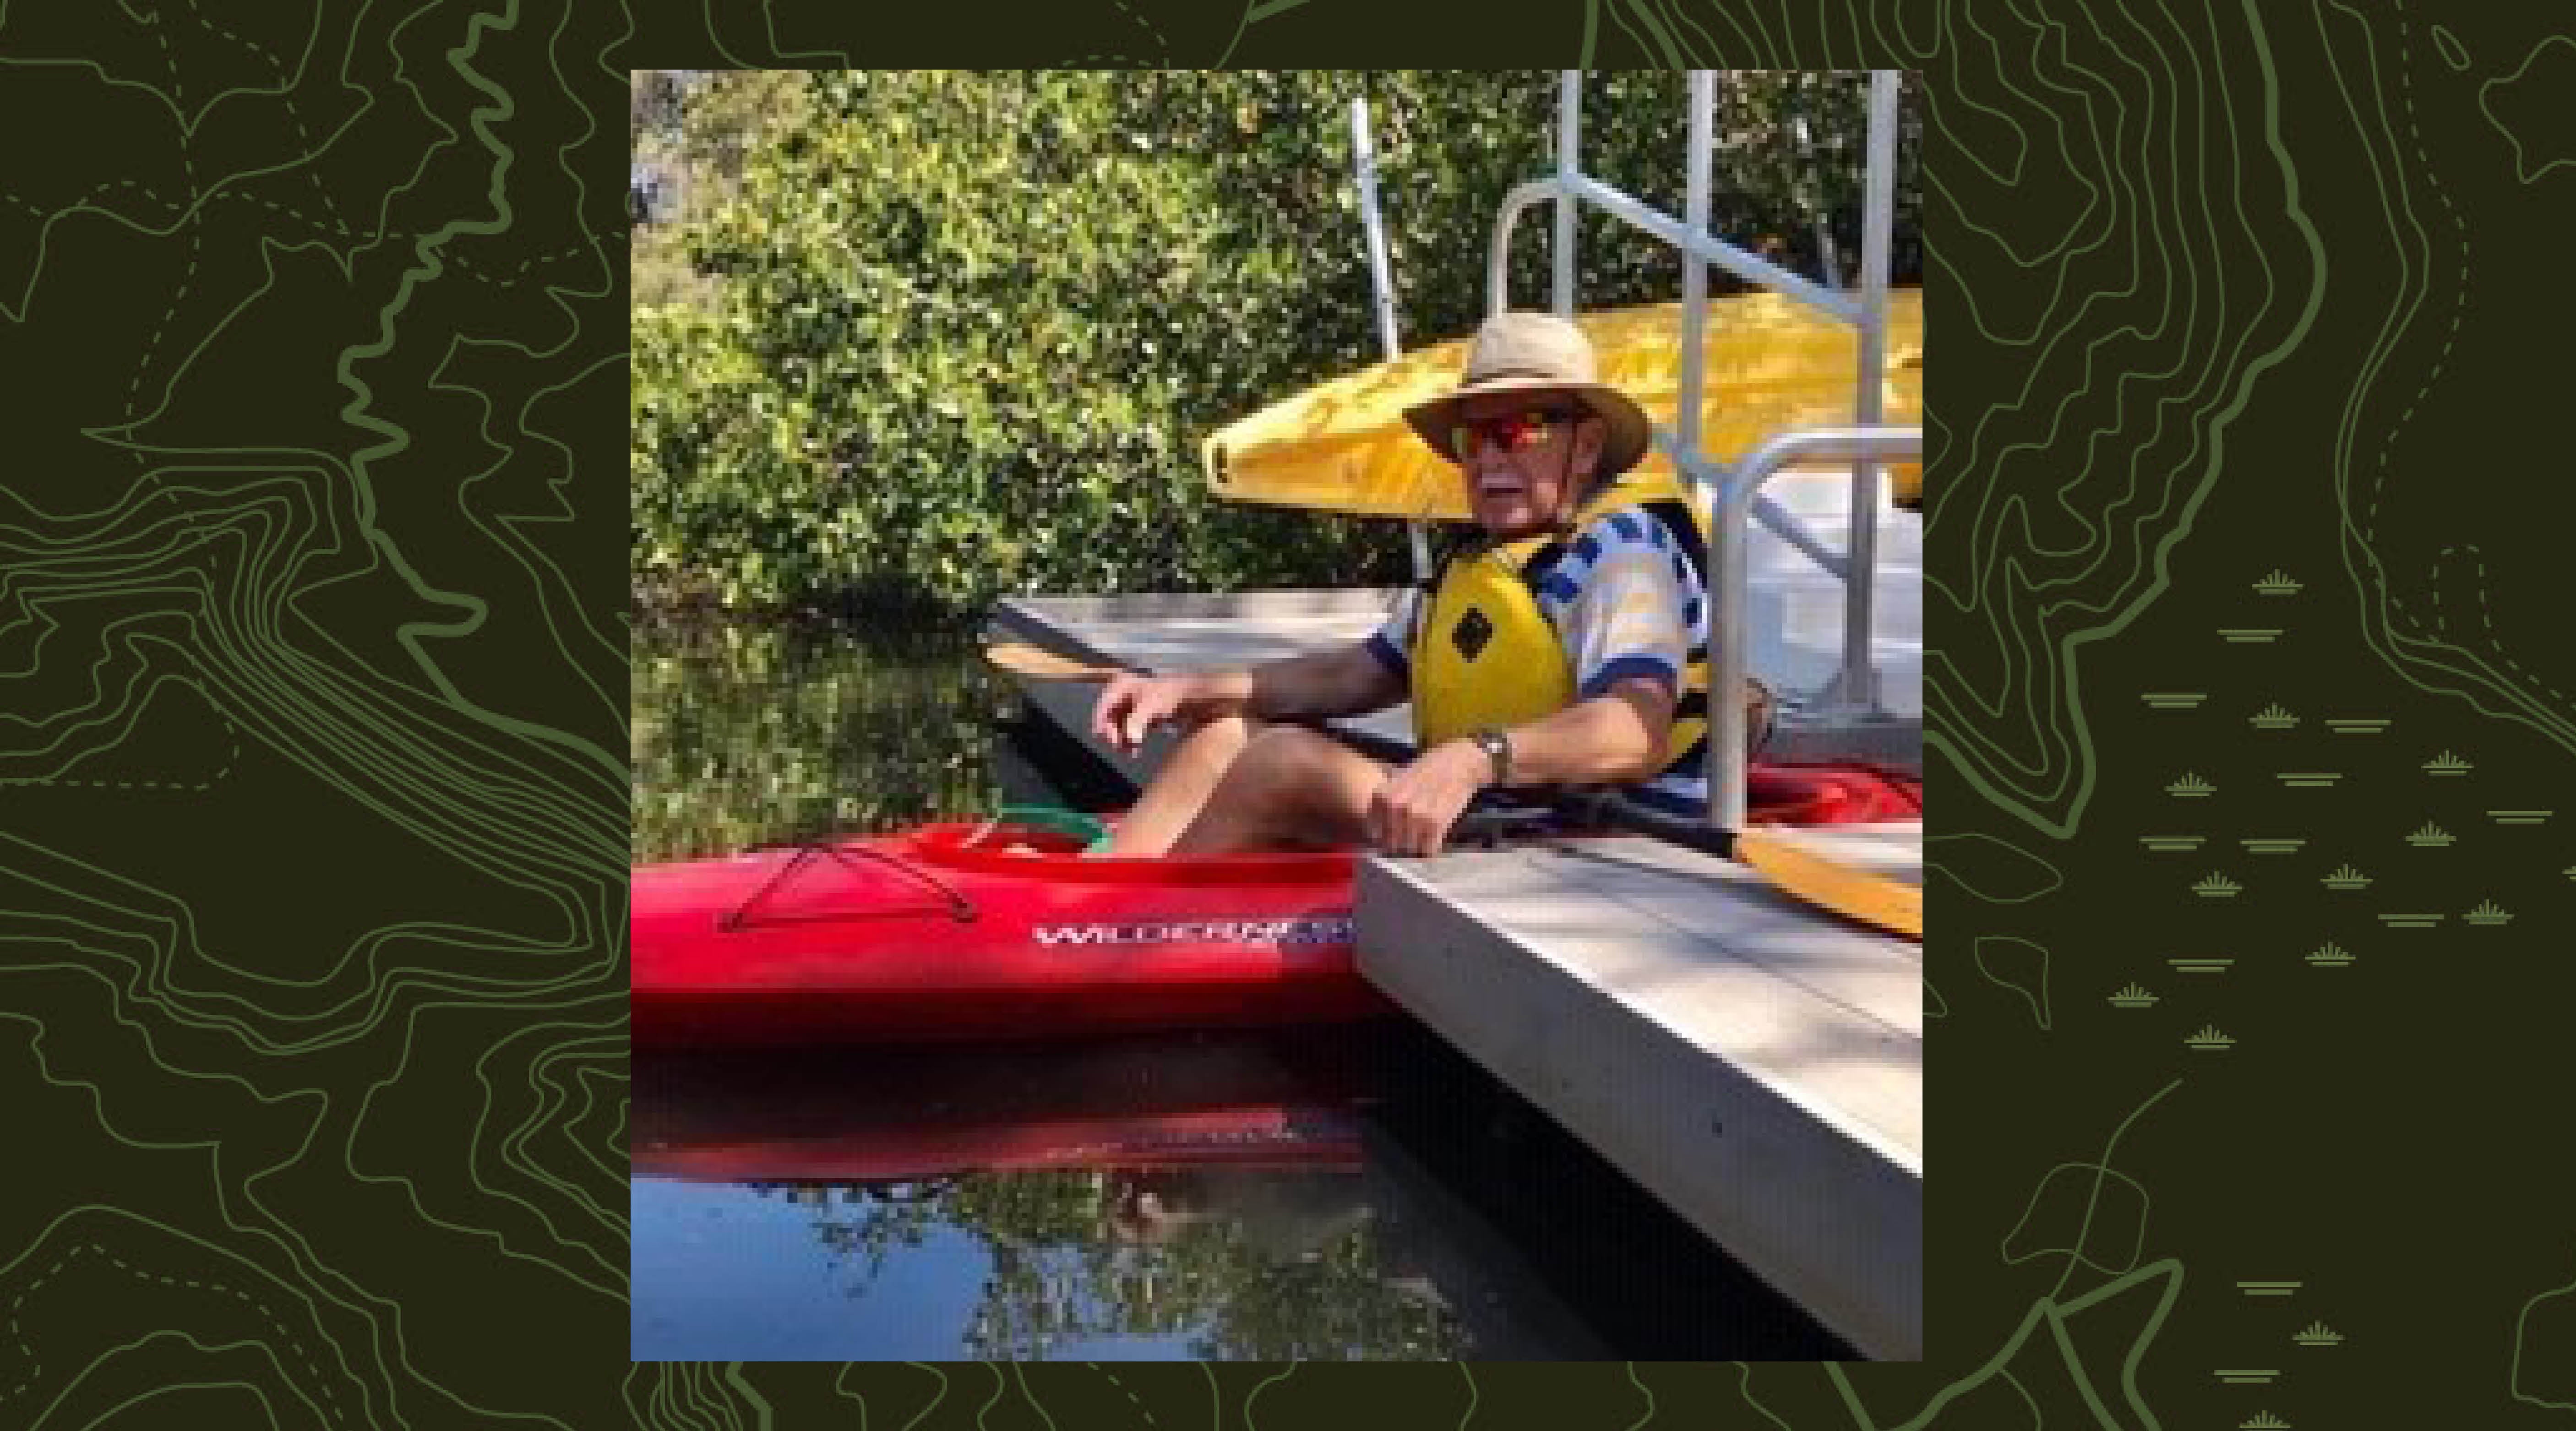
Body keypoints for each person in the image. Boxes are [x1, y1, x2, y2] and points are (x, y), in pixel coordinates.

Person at [1091, 310, 1732, 857]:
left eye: (1516, 432)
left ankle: (1125, 937)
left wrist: (1478, 757)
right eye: (1472, 438)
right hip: (1490, 811)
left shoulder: (1620, 549)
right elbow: (1355, 675)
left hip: (1584, 840)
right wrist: (1187, 689)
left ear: (1586, 446)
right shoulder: (1480, 560)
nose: (1487, 459)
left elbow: (1633, 725)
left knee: (1282, 763)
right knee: (1226, 737)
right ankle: (1099, 903)